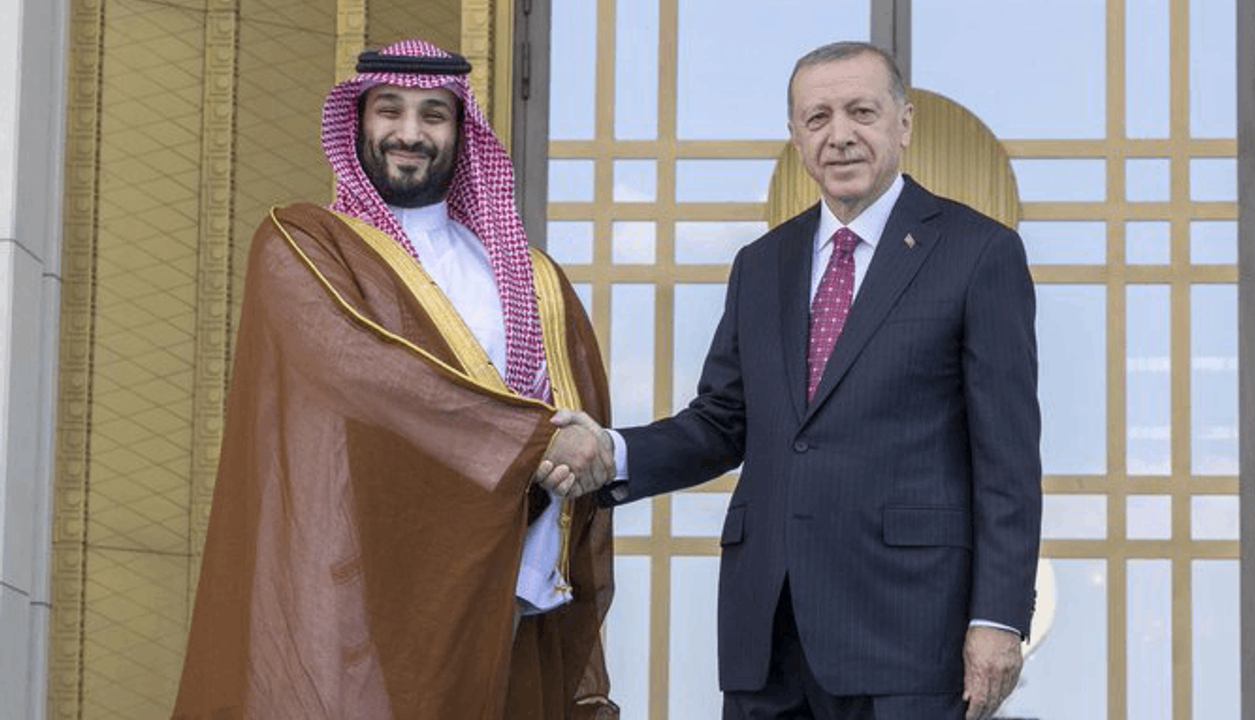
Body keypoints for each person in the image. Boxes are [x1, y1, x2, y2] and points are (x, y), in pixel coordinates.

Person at [547, 41, 1042, 720]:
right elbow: (722, 422)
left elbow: (1007, 460)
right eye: (817, 118)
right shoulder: (762, 264)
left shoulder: (978, 252)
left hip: (909, 633)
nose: (840, 135)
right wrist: (613, 450)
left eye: (861, 112)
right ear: (796, 136)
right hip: (769, 633)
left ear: (903, 124)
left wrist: (998, 617)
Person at [172, 39, 618, 720]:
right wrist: (532, 441)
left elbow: (572, 414)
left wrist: (568, 459)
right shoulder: (305, 244)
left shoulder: (529, 278)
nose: (410, 133)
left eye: (433, 115)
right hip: (355, 584)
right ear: (357, 120)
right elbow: (360, 370)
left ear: (460, 132)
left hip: (497, 588)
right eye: (390, 110)